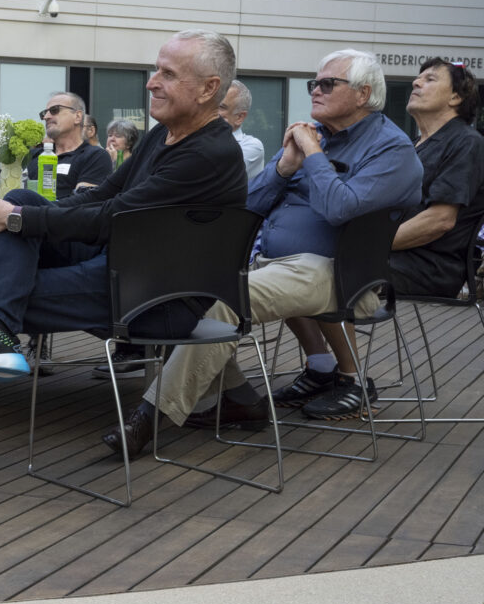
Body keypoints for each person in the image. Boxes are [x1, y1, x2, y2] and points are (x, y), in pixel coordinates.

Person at [0, 29, 248, 486]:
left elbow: (111, 217)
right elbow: (103, 196)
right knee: (24, 200)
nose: (151, 82)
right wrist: (21, 214)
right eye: (155, 70)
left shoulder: (210, 153)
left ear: (208, 88)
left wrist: (18, 221)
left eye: (168, 73)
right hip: (120, 267)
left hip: (155, 298)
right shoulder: (163, 136)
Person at [109, 49, 423, 458]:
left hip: (342, 272)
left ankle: (149, 417)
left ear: (363, 94)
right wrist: (282, 169)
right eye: (315, 83)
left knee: (225, 300)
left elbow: (339, 208)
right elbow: (244, 206)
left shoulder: (392, 150)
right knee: (185, 292)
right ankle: (241, 399)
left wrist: (311, 156)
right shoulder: (313, 135)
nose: (316, 91)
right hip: (271, 264)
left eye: (328, 84)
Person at [272, 58, 483, 416]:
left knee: (329, 263)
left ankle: (352, 381)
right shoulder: (413, 145)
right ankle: (320, 366)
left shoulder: (467, 142)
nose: (416, 84)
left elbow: (440, 222)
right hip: (390, 254)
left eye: (430, 79)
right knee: (292, 254)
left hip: (431, 263)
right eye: (416, 78)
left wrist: (362, 247)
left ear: (456, 98)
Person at [25, 92, 111, 200]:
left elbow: (82, 204)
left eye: (54, 110)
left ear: (77, 117)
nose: (46, 117)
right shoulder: (33, 156)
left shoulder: (95, 156)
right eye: (44, 113)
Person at [218, 80, 265, 180]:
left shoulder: (252, 146)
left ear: (239, 117)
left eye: (221, 107)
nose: (212, 111)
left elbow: (213, 172)